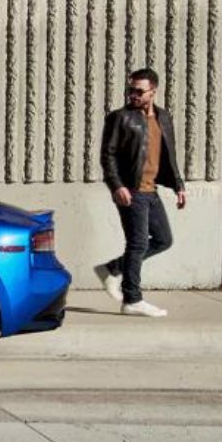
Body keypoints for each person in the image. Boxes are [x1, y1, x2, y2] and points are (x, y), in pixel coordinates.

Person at [94, 68, 186, 317]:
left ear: (153, 92)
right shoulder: (119, 118)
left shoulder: (163, 117)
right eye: (130, 90)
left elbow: (169, 155)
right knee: (137, 243)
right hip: (131, 190)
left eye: (138, 91)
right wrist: (117, 186)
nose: (132, 95)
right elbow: (107, 156)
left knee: (163, 240)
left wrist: (179, 185)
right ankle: (132, 299)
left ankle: (112, 268)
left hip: (151, 189)